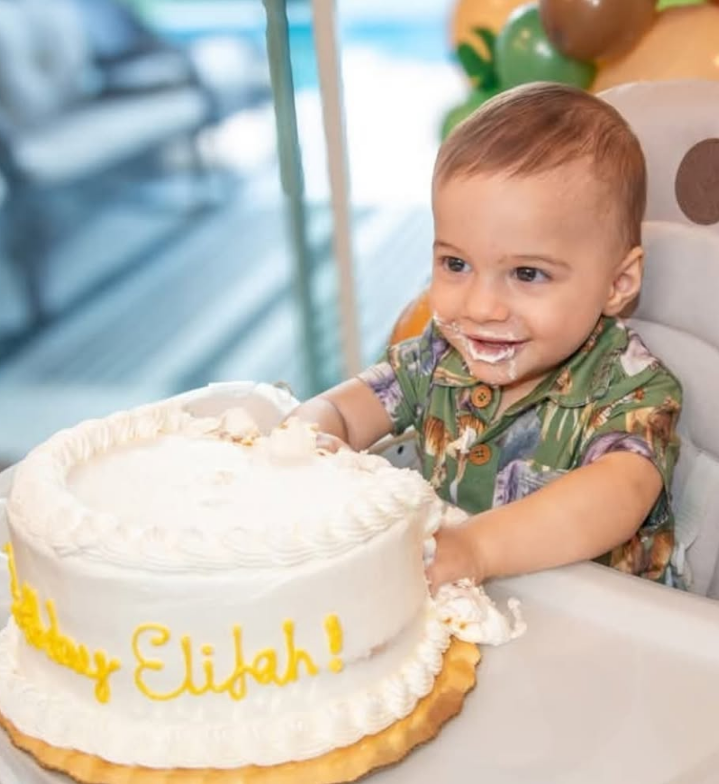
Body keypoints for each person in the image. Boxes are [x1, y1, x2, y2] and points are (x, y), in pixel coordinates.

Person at [291, 81, 683, 592]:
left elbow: (618, 495)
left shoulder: (633, 391)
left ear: (618, 284)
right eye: (456, 264)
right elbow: (344, 409)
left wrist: (476, 548)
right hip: (455, 605)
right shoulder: (439, 356)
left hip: (599, 636)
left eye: (527, 274)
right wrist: (307, 441)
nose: (479, 308)